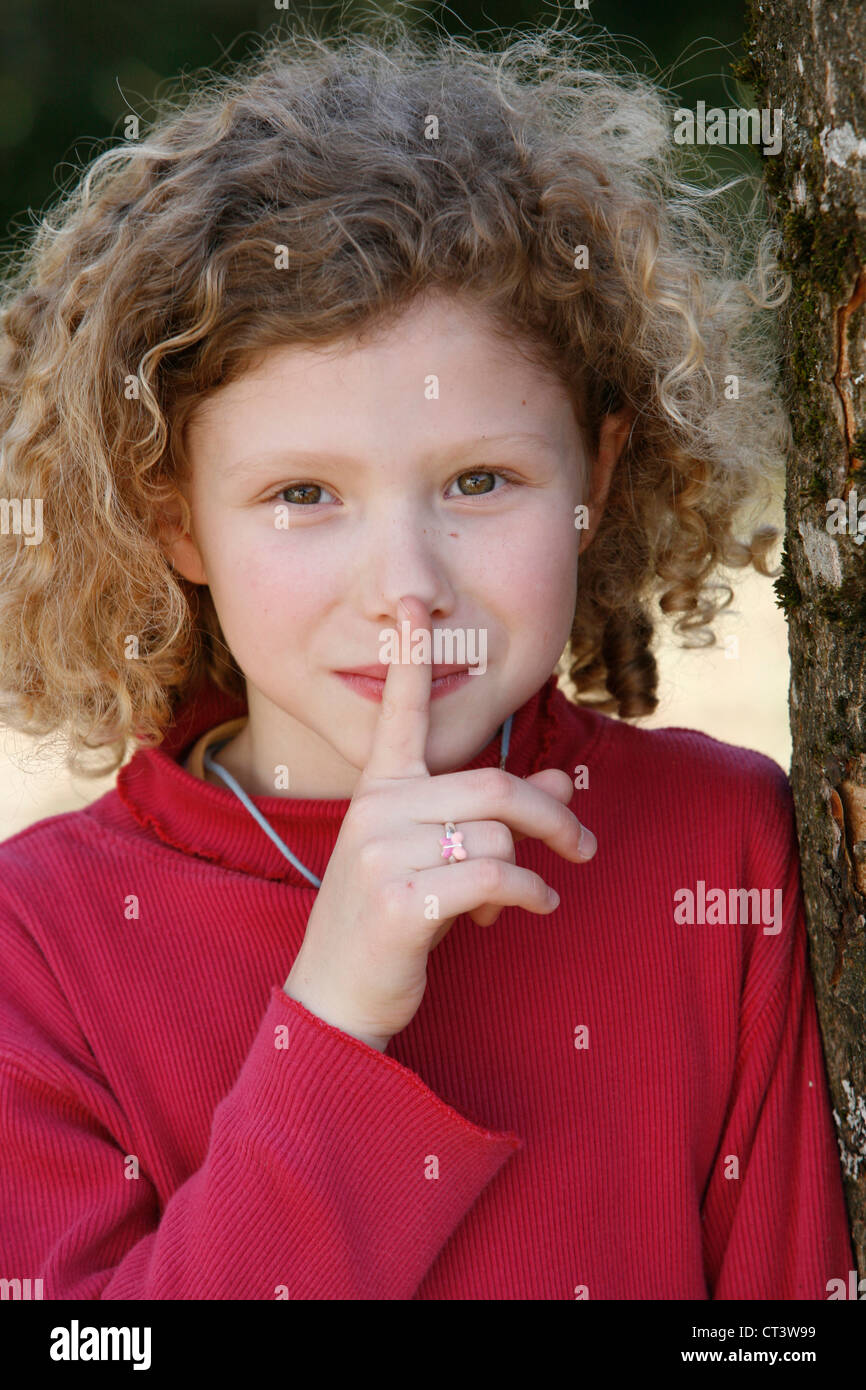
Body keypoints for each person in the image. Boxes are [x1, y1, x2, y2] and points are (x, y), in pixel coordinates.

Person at [0, 15, 853, 1299]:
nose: (407, 588)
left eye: (476, 480)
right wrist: (332, 1014)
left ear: (598, 472)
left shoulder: (721, 850)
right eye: (301, 494)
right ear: (173, 514)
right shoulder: (38, 946)